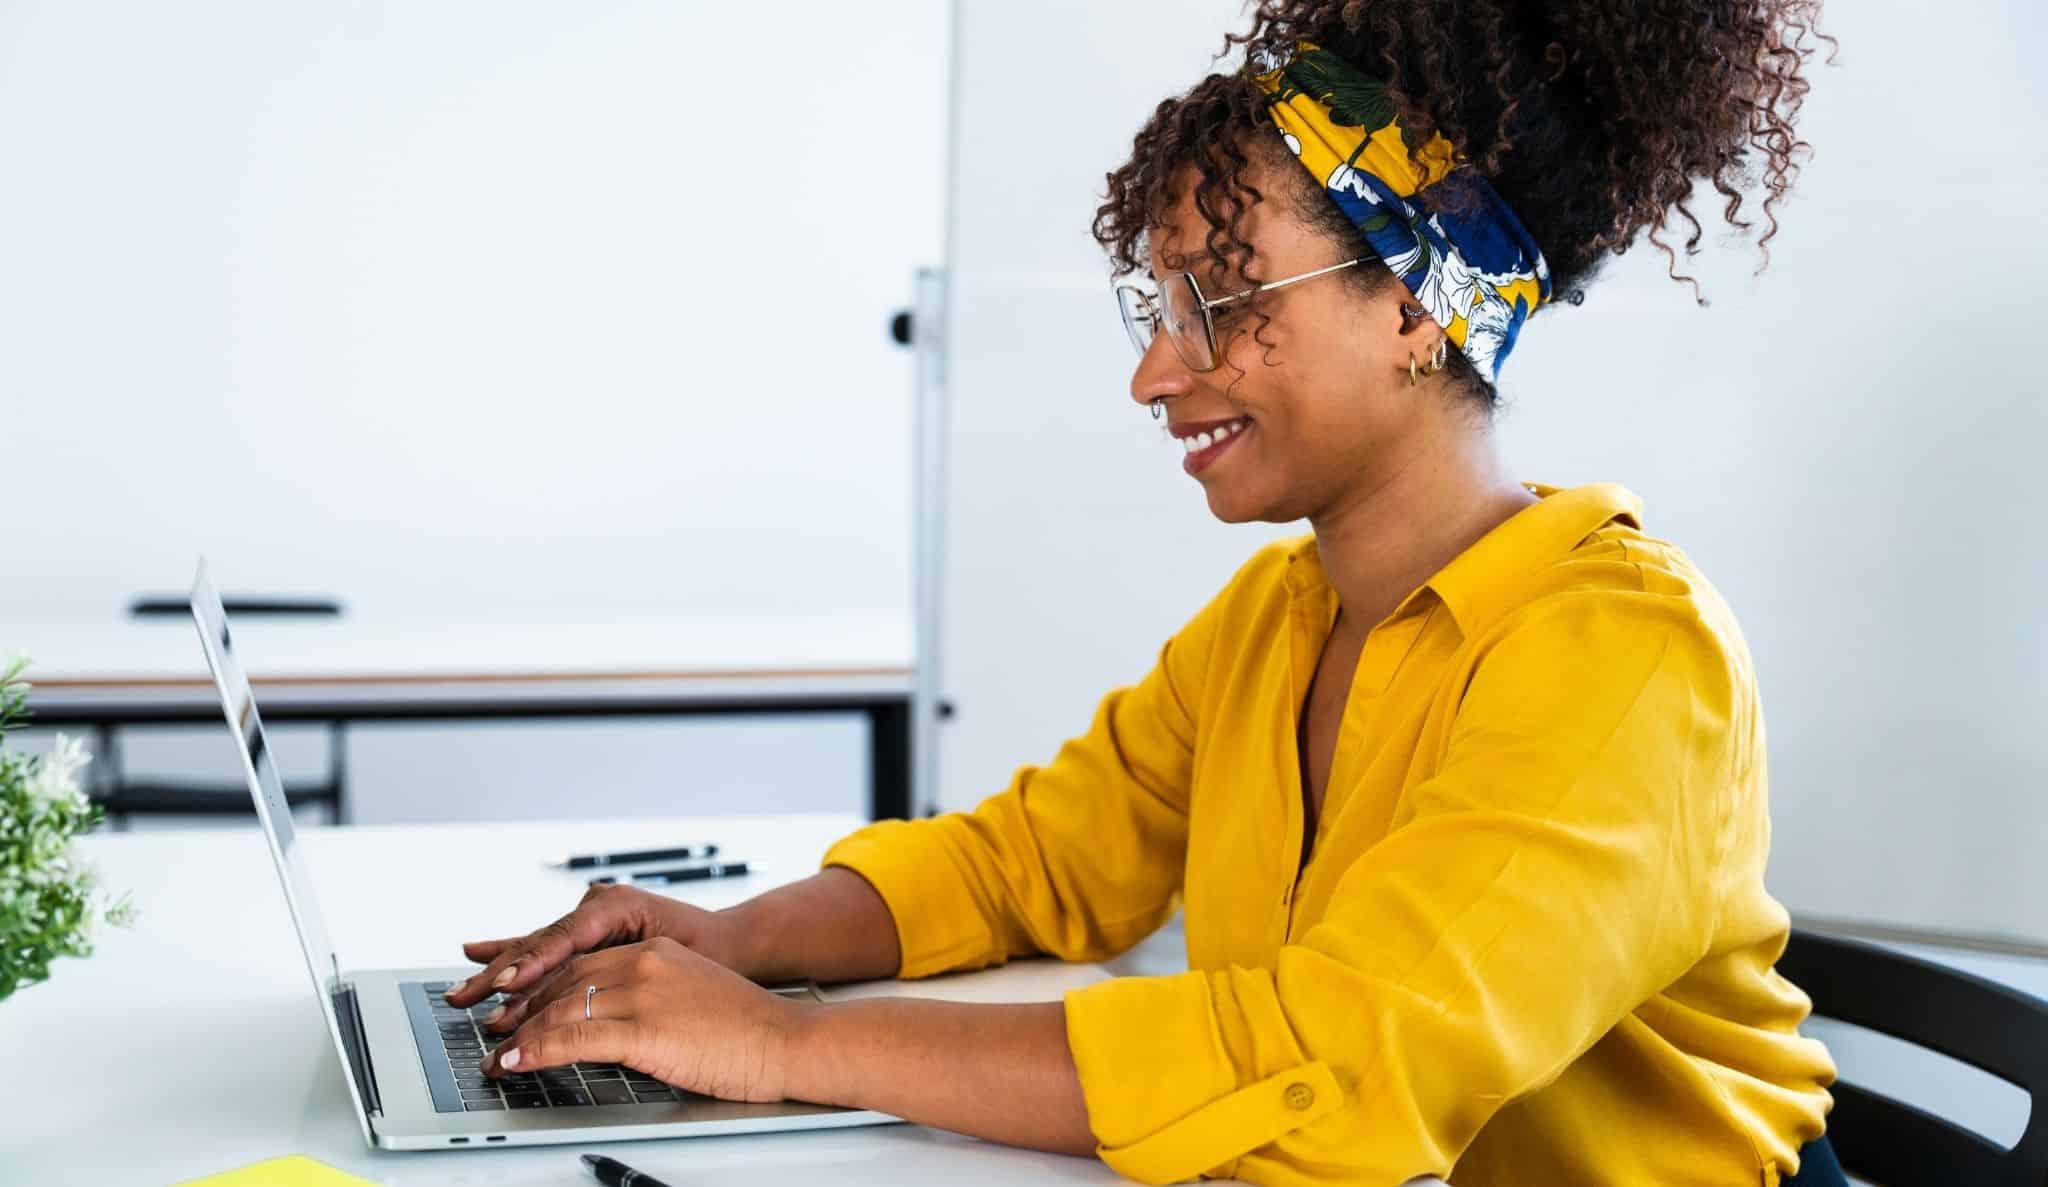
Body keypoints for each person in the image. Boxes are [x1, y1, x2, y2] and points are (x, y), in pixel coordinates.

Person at [445, 4, 1847, 1183]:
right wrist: (730, 940)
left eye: (1223, 307)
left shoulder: (1626, 658)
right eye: (1159, 309)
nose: (1157, 373)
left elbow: (1338, 1066)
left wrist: (779, 1044)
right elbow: (1029, 865)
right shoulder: (1279, 621)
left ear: (1420, 309)